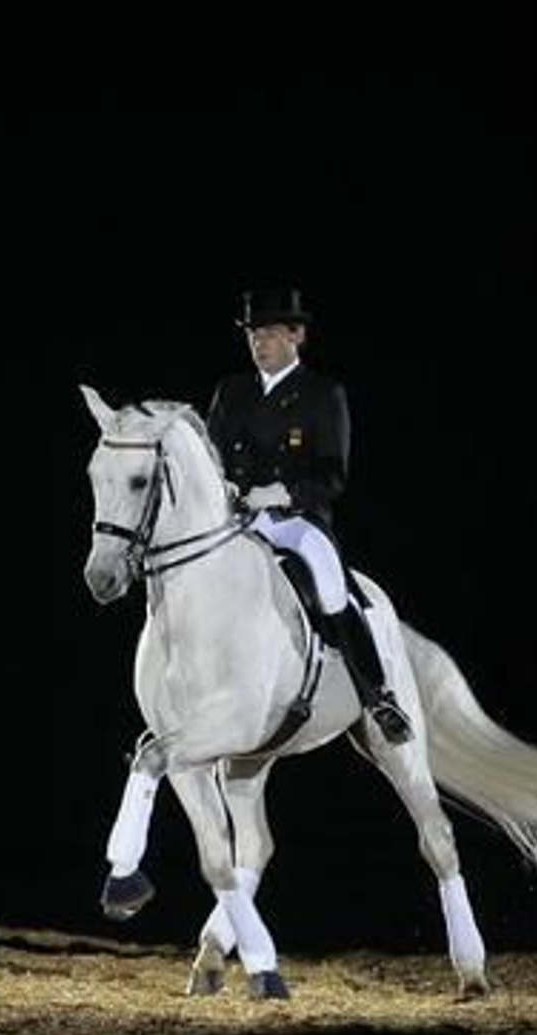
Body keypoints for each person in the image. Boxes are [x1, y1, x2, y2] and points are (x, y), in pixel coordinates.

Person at [206, 287, 413, 745]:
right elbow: (211, 457)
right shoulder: (231, 392)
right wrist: (225, 490)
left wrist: (280, 491)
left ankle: (377, 694)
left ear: (296, 336)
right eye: (253, 335)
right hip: (236, 516)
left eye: (270, 335)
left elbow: (333, 474)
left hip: (294, 519)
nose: (259, 344)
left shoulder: (322, 394)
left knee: (329, 581)